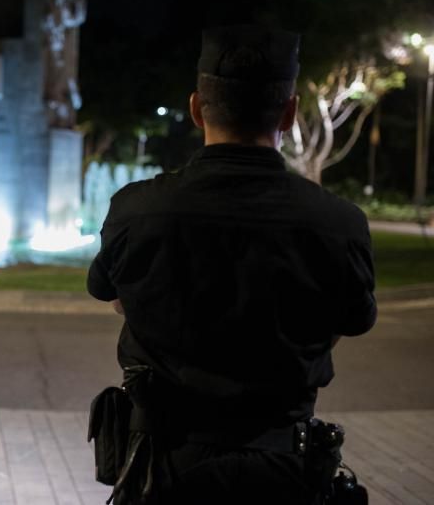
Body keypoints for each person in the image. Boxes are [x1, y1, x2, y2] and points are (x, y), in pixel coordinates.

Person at [87, 25, 376, 504]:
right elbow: (350, 320)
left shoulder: (136, 209)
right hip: (284, 471)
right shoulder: (339, 223)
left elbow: (113, 294)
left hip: (163, 471)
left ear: (198, 109)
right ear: (289, 111)